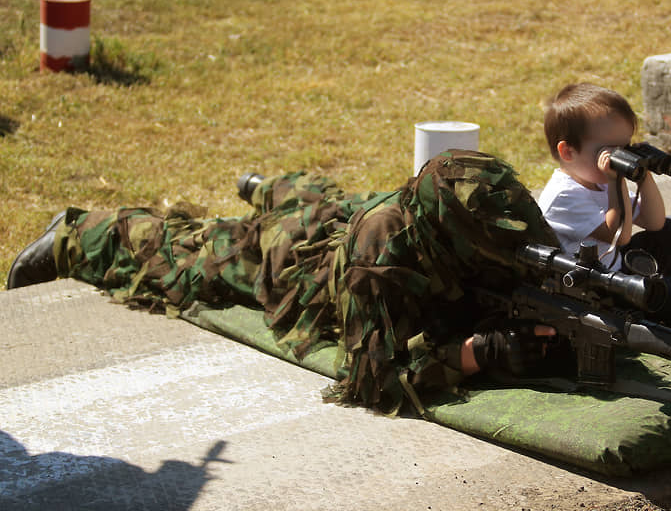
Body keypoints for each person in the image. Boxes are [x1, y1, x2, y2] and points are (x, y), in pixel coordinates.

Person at [6, 151, 560, 415]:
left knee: (324, 201)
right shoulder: (377, 260)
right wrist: (475, 354)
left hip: (342, 217)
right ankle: (77, 234)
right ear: (449, 238)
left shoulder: (487, 218)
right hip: (299, 266)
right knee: (194, 253)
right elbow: (372, 381)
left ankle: (264, 183)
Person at [537, 83, 671, 331]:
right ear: (568, 151)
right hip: (593, 290)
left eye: (625, 148)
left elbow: (654, 221)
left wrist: (644, 176)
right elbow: (619, 237)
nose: (620, 159)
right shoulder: (563, 196)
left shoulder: (598, 180)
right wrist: (617, 180)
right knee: (668, 290)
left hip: (613, 269)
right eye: (609, 151)